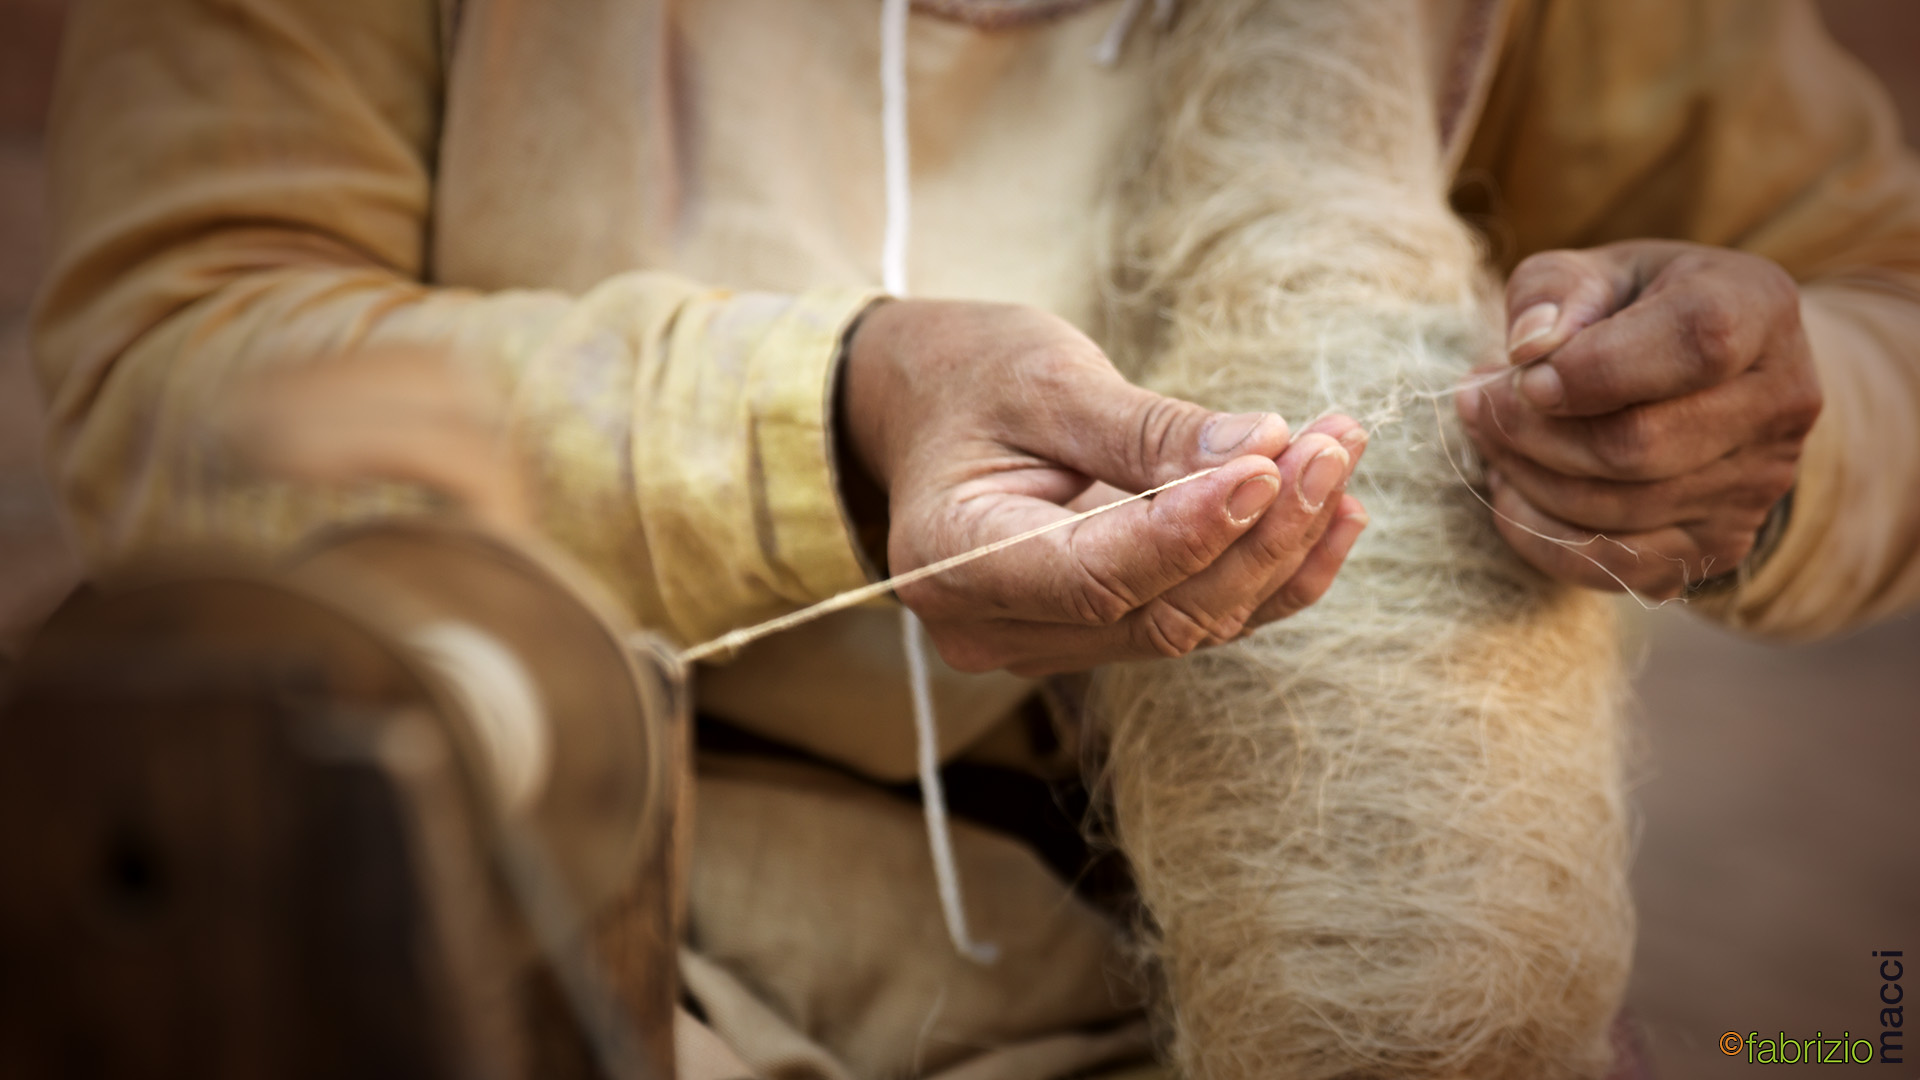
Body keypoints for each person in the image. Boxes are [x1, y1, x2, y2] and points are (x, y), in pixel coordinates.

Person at [30, 0, 1920, 1076]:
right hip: (585, 938)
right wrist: (840, 417)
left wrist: (1759, 420)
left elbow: (1880, 306)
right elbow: (167, 387)